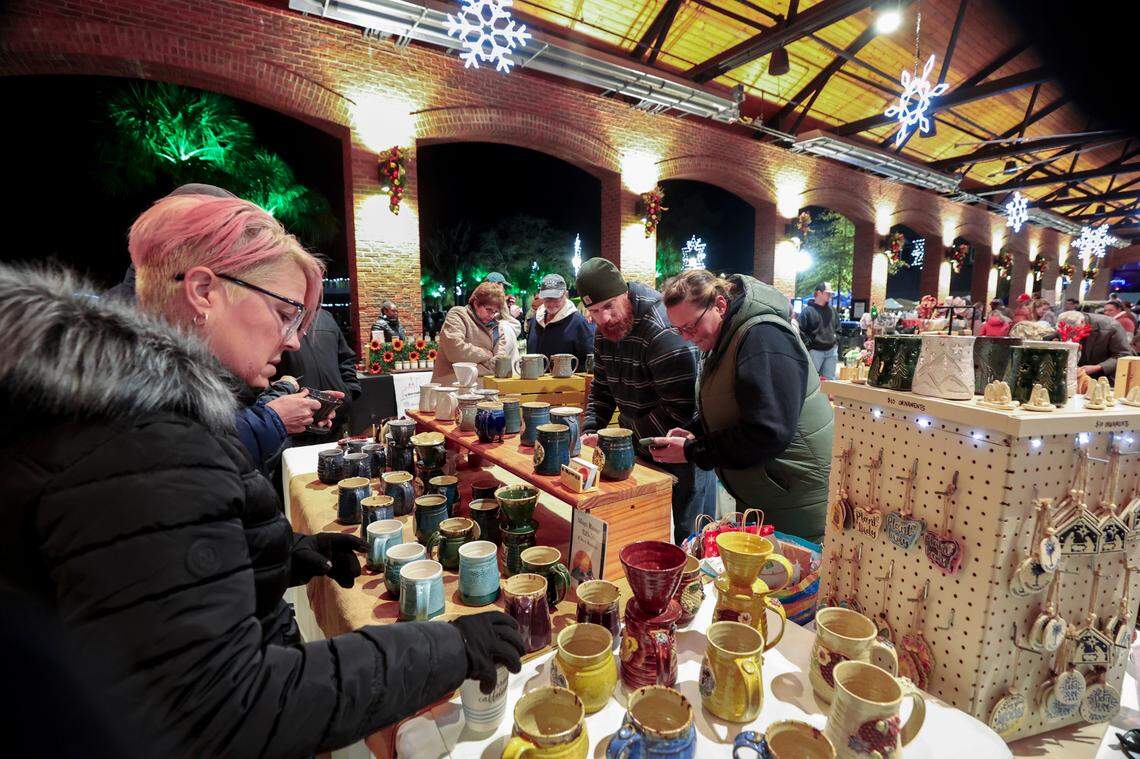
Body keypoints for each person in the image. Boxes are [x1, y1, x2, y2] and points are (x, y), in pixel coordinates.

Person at [0, 198, 525, 757]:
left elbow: (158, 593)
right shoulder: (141, 437)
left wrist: (281, 553)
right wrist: (448, 647)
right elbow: (226, 706)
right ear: (204, 291)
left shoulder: (130, 413)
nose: (295, 339)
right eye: (284, 312)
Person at [650, 271, 834, 542]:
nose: (687, 337)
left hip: (794, 496)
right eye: (679, 330)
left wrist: (693, 450)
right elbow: (733, 404)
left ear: (720, 305)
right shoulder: (724, 339)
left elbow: (768, 432)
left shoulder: (762, 337)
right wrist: (697, 432)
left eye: (691, 326)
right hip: (769, 490)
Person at [574, 257, 716, 544]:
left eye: (608, 306)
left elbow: (679, 410)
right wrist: (590, 430)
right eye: (594, 311)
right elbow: (602, 387)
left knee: (691, 537)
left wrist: (621, 439)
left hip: (681, 446)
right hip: (639, 444)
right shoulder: (606, 330)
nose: (604, 318)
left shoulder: (661, 328)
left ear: (624, 293)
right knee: (644, 532)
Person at [273, 307, 362, 441]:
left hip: (334, 419)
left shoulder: (326, 317)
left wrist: (349, 391)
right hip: (293, 426)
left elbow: (345, 358)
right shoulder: (276, 317)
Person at [433, 281, 506, 385]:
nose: (491, 315)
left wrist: (469, 362)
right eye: (488, 309)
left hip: (484, 389)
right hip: (452, 388)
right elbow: (455, 351)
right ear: (476, 303)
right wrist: (486, 354)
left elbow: (499, 364)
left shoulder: (497, 328)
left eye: (495, 312)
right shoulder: (458, 314)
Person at [526, 273, 594, 366]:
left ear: (565, 294)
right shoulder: (535, 321)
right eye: (547, 299)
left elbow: (589, 361)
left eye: (556, 298)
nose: (551, 303)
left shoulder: (578, 323)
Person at [1057, 309, 1134, 380]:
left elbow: (1123, 354)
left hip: (1106, 377)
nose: (1070, 337)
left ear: (1082, 322)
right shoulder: (1065, 325)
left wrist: (1098, 367)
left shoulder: (1111, 327)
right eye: (1065, 333)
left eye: (1073, 332)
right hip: (1076, 375)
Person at [797, 282, 839, 380]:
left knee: (829, 382)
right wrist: (809, 347)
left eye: (831, 293)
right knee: (811, 380)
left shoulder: (832, 310)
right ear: (819, 293)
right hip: (815, 351)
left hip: (831, 351)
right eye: (827, 293)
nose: (830, 295)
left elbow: (838, 328)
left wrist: (836, 342)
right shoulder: (807, 311)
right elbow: (800, 330)